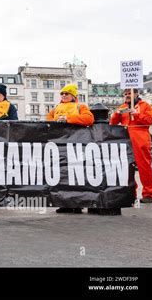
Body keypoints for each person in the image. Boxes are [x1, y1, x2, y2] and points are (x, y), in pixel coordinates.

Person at [46, 83, 94, 214]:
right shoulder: (56, 108)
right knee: (62, 174)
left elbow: (89, 119)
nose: (63, 96)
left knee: (76, 174)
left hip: (76, 144)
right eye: (62, 94)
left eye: (66, 93)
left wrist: (68, 118)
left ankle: (77, 204)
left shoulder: (80, 106)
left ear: (73, 95)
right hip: (60, 144)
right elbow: (48, 120)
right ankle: (64, 203)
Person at [110, 89, 152, 203]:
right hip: (126, 140)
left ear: (136, 94)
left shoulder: (144, 105)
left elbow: (150, 120)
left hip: (141, 140)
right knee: (127, 168)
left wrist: (136, 114)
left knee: (144, 167)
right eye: (125, 94)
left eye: (129, 93)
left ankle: (149, 194)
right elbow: (113, 123)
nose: (127, 96)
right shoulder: (122, 106)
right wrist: (116, 114)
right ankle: (131, 193)